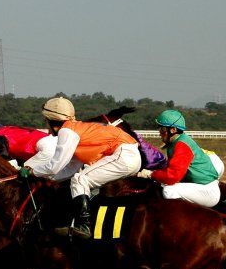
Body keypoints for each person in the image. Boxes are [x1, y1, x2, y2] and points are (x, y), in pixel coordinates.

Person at [20, 97, 141, 238]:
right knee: (79, 179)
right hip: (128, 156)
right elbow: (69, 169)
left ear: (50, 120)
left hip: (124, 156)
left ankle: (84, 226)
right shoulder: (77, 131)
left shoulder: (67, 131)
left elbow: (54, 166)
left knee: (80, 180)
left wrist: (32, 171)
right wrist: (48, 178)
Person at [137, 109, 220, 207]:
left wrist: (150, 174)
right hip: (199, 186)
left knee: (169, 191)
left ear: (173, 130)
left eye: (162, 129)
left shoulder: (182, 145)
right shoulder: (176, 142)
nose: (159, 133)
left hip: (206, 191)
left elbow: (172, 176)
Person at [0, 111, 82, 180]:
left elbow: (8, 166)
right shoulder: (2, 132)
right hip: (58, 146)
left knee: (17, 176)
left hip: (47, 150)